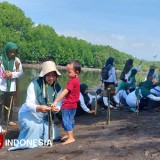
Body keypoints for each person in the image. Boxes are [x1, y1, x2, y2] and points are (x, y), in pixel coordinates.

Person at [9, 61, 62, 151]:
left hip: (44, 116)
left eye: (53, 75)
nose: (51, 78)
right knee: (33, 127)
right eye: (48, 75)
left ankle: (34, 134)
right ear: (44, 75)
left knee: (54, 135)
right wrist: (39, 108)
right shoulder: (34, 84)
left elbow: (59, 102)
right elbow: (29, 104)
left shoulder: (58, 87)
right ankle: (26, 134)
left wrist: (57, 108)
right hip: (29, 113)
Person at [51, 60, 81, 145]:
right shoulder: (76, 80)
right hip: (73, 105)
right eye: (66, 71)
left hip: (69, 105)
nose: (67, 73)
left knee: (66, 120)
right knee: (70, 120)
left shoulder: (72, 81)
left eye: (69, 72)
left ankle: (71, 137)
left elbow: (65, 91)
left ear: (76, 73)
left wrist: (56, 100)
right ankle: (69, 135)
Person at [0, 42, 23, 126]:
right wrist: (3, 74)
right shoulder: (1, 59)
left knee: (9, 104)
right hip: (1, 86)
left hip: (11, 87)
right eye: (11, 51)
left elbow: (21, 73)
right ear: (6, 50)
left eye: (14, 52)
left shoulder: (16, 60)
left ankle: (8, 120)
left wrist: (12, 74)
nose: (12, 54)